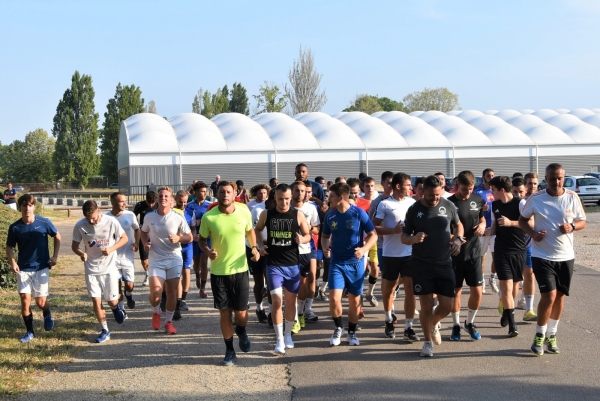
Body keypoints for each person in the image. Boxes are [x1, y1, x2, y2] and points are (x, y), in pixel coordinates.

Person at [519, 163, 586, 356]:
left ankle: (552, 334)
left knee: (560, 297)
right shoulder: (536, 198)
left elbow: (582, 221)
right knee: (548, 296)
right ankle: (539, 335)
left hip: (566, 255)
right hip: (542, 255)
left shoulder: (572, 197)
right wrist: (533, 233)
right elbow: (522, 220)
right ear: (545, 179)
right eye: (552, 178)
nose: (556, 182)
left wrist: (572, 227)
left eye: (559, 178)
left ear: (563, 177)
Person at [401, 176, 464, 357]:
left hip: (444, 263)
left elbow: (458, 225)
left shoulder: (448, 205)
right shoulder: (414, 210)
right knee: (426, 306)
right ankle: (427, 342)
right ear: (422, 191)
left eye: (437, 195)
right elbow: (404, 237)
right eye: (431, 195)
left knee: (447, 306)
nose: (435, 198)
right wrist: (414, 239)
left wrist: (458, 240)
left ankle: (433, 323)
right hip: (422, 265)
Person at [198, 181, 259, 366]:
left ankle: (241, 330)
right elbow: (201, 240)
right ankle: (230, 350)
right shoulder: (209, 217)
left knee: (241, 314)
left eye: (228, 192)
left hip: (240, 270)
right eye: (222, 191)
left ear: (235, 194)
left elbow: (250, 231)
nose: (225, 194)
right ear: (217, 194)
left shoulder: (244, 211)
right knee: (224, 313)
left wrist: (254, 247)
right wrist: (208, 251)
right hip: (219, 273)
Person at [255, 184, 311, 354]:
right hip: (273, 266)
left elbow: (308, 235)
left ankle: (288, 335)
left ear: (291, 198)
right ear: (275, 199)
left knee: (290, 302)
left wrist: (302, 239)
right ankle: (279, 339)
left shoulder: (298, 214)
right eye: (281, 199)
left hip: (293, 265)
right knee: (277, 302)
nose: (284, 202)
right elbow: (256, 230)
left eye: (287, 199)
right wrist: (260, 246)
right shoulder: (267, 214)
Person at [321, 183, 377, 347]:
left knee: (354, 301)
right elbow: (325, 236)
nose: (328, 199)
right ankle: (338, 328)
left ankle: (351, 332)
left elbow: (373, 235)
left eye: (331, 196)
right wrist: (325, 248)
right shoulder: (330, 216)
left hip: (356, 264)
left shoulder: (358, 214)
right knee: (334, 299)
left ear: (340, 198)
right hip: (337, 263)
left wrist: (364, 249)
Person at [6, 194, 61, 343]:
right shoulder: (15, 227)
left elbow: (57, 236)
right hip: (23, 269)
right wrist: (13, 262)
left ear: (34, 207)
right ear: (20, 208)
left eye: (30, 205)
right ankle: (29, 331)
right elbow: (9, 247)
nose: (27, 208)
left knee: (40, 302)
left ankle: (47, 312)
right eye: (24, 205)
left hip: (41, 267)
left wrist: (54, 257)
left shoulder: (44, 222)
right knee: (25, 300)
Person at [72, 200, 128, 343]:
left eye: (94, 217)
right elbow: (74, 246)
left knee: (111, 300)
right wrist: (81, 253)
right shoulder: (80, 225)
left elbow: (124, 238)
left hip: (109, 268)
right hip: (91, 268)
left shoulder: (111, 221)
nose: (91, 221)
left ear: (99, 211)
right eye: (87, 218)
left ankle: (115, 308)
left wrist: (111, 249)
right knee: (96, 301)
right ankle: (105, 330)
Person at [373, 173, 419, 341]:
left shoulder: (413, 203)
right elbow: (373, 226)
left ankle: (409, 327)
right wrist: (392, 231)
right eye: (408, 185)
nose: (410, 188)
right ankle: (388, 320)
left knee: (410, 291)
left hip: (410, 253)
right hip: (390, 253)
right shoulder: (384, 204)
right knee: (389, 290)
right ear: (398, 186)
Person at [141, 187, 193, 335]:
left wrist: (179, 238)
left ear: (171, 201)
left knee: (171, 292)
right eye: (161, 196)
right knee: (156, 292)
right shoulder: (149, 217)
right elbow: (143, 232)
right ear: (157, 199)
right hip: (156, 259)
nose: (163, 198)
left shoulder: (177, 217)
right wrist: (146, 244)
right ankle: (156, 311)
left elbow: (189, 237)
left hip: (174, 258)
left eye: (166, 196)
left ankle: (168, 322)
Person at [446, 171, 486, 341]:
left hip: (474, 252)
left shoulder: (478, 200)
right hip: (455, 255)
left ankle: (469, 323)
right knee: (456, 292)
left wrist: (483, 225)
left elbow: (482, 219)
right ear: (457, 186)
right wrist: (454, 239)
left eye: (470, 189)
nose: (468, 192)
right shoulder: (448, 204)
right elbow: (443, 230)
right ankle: (455, 325)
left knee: (477, 291)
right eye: (464, 189)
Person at [489, 176, 527, 338]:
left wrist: (511, 223)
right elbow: (494, 225)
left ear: (501, 190)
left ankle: (507, 310)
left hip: (518, 249)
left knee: (515, 287)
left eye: (493, 190)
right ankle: (513, 326)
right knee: (506, 287)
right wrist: (486, 232)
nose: (492, 192)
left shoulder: (521, 204)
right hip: (502, 250)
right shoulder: (495, 205)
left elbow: (530, 223)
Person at [291, 181, 320, 331]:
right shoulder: (285, 206)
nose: (300, 193)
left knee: (305, 282)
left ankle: (301, 312)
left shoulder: (311, 208)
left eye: (303, 191)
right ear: (292, 191)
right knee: (290, 285)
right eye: (297, 190)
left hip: (305, 249)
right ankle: (293, 315)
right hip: (286, 253)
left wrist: (308, 228)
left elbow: (317, 229)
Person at [106, 192, 140, 318]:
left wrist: (136, 243)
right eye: (121, 201)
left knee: (129, 285)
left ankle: (129, 295)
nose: (125, 203)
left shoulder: (130, 215)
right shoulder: (106, 218)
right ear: (113, 203)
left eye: (125, 201)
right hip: (113, 258)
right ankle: (121, 309)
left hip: (127, 256)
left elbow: (137, 229)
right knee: (116, 285)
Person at [245, 183, 271, 323]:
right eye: (260, 193)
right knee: (259, 282)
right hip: (253, 246)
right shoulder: (255, 209)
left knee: (271, 280)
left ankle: (272, 312)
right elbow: (255, 232)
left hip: (269, 247)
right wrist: (258, 246)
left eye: (265, 193)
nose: (262, 195)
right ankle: (259, 308)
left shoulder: (278, 209)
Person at [519, 173, 540, 321]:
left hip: (534, 243)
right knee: (518, 277)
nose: (532, 186)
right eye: (529, 183)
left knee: (530, 275)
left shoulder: (541, 199)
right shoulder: (521, 202)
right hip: (518, 243)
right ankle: (509, 298)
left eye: (534, 183)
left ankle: (529, 309)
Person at [474, 168, 498, 295]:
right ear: (483, 177)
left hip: (494, 230)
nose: (491, 177)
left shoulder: (497, 191)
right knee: (482, 258)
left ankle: (492, 278)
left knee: (497, 257)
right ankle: (481, 280)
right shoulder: (478, 192)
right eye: (489, 175)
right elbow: (472, 209)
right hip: (483, 229)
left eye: (493, 175)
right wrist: (480, 208)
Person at [186, 181, 212, 298]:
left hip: (206, 238)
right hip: (194, 238)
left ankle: (203, 288)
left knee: (204, 262)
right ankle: (197, 275)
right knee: (196, 263)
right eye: (201, 191)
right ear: (196, 192)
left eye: (205, 191)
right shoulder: (189, 205)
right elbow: (185, 221)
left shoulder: (210, 205)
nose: (204, 193)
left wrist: (203, 223)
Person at [174, 190, 194, 317]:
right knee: (176, 274)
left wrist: (195, 233)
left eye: (185, 202)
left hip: (187, 246)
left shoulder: (190, 211)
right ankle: (174, 298)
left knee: (186, 271)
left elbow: (192, 228)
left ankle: (183, 300)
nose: (183, 205)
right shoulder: (171, 212)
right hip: (174, 246)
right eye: (180, 202)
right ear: (175, 200)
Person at [133, 190, 157, 286]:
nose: (151, 205)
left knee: (156, 256)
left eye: (153, 203)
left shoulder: (159, 204)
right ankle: (147, 274)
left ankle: (155, 276)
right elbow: (133, 217)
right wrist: (138, 225)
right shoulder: (140, 205)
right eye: (149, 203)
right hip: (144, 234)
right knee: (144, 258)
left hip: (156, 234)